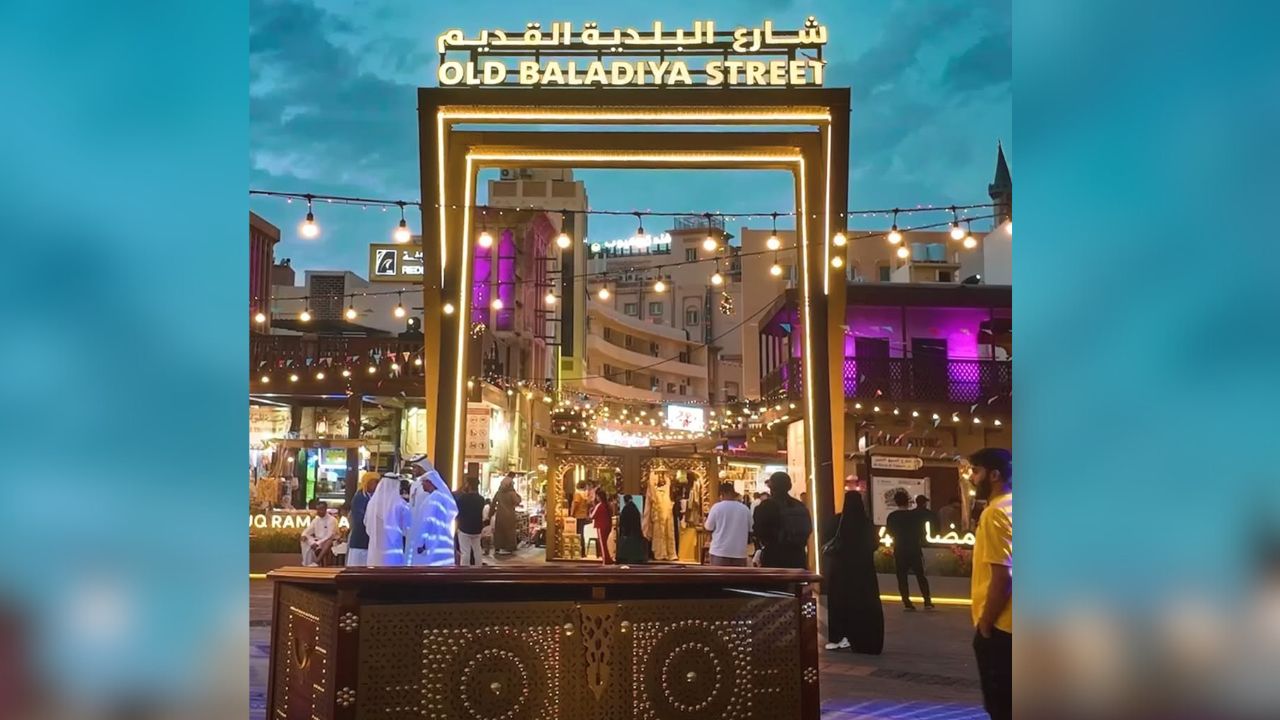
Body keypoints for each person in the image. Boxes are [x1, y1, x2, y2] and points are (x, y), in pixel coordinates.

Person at [968, 448, 1013, 720]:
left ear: (994, 475)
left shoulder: (994, 513)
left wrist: (986, 624)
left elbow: (1003, 575)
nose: (973, 478)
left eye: (976, 471)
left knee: (1001, 706)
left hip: (1001, 627)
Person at [823, 491, 885, 654]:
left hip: (841, 569)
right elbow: (874, 545)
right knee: (863, 603)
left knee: (839, 602)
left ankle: (839, 637)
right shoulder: (866, 523)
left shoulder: (838, 521)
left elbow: (827, 539)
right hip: (864, 571)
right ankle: (863, 637)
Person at [752, 472, 812, 569]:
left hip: (774, 558)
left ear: (771, 487)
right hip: (798, 558)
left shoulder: (766, 506)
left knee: (775, 584)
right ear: (789, 486)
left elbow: (759, 532)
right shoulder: (800, 506)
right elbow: (808, 529)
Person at [407, 456, 458, 567]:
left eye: (416, 467)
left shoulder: (436, 495)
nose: (414, 471)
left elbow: (448, 510)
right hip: (417, 529)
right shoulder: (416, 484)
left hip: (431, 534)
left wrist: (424, 538)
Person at [886, 489, 933, 610]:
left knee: (901, 576)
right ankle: (927, 600)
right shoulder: (915, 516)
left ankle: (907, 601)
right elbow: (921, 532)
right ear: (908, 502)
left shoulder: (892, 517)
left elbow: (890, 532)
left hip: (900, 548)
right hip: (914, 548)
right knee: (920, 575)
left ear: (896, 502)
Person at [365, 473, 412, 567]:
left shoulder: (372, 503)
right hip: (393, 550)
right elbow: (407, 528)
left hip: (375, 550)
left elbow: (367, 524)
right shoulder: (400, 504)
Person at [704, 482, 752, 566]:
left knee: (718, 578)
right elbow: (751, 529)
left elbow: (709, 527)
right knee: (737, 578)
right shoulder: (745, 509)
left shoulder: (716, 507)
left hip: (719, 551)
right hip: (739, 552)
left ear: (722, 493)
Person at [345, 472, 378, 567]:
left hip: (369, 539)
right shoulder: (360, 497)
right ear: (367, 483)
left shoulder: (373, 497)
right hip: (360, 538)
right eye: (374, 482)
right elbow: (359, 519)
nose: (375, 485)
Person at [641, 474, 677, 561]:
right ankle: (660, 553)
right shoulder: (653, 492)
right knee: (659, 534)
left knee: (668, 533)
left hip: (666, 515)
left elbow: (667, 482)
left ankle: (669, 553)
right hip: (658, 517)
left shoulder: (666, 489)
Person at [455, 477, 486, 566]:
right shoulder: (481, 499)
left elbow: (458, 512)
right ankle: (478, 568)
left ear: (469, 485)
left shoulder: (463, 498)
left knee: (465, 552)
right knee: (477, 549)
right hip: (477, 528)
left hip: (464, 528)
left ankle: (465, 571)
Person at [492, 473, 522, 555]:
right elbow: (517, 501)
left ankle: (498, 547)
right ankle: (510, 547)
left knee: (499, 532)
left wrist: (490, 514)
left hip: (500, 515)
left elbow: (493, 504)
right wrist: (516, 494)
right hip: (509, 515)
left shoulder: (498, 493)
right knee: (509, 532)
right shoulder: (512, 493)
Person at [300, 501, 337, 567]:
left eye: (320, 509)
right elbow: (307, 531)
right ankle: (306, 563)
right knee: (304, 538)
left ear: (325, 509)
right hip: (317, 540)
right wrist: (304, 535)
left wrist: (317, 543)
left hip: (329, 541)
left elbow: (329, 535)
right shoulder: (316, 520)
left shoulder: (332, 520)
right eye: (318, 509)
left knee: (328, 541)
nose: (318, 511)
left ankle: (317, 562)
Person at [615, 494, 647, 564]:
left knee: (626, 546)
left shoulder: (626, 508)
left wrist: (623, 531)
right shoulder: (635, 508)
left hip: (628, 532)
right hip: (636, 531)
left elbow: (623, 521)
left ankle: (625, 559)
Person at [590, 487, 614, 564]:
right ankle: (608, 558)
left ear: (599, 497)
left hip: (601, 526)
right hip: (608, 526)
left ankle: (605, 560)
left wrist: (590, 511)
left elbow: (592, 516)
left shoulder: (599, 506)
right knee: (605, 543)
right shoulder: (608, 505)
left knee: (602, 544)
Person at [570, 481, 590, 552]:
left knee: (577, 534)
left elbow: (575, 504)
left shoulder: (577, 494)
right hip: (583, 515)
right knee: (581, 533)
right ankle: (582, 550)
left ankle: (578, 550)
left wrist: (571, 514)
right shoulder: (585, 495)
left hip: (577, 515)